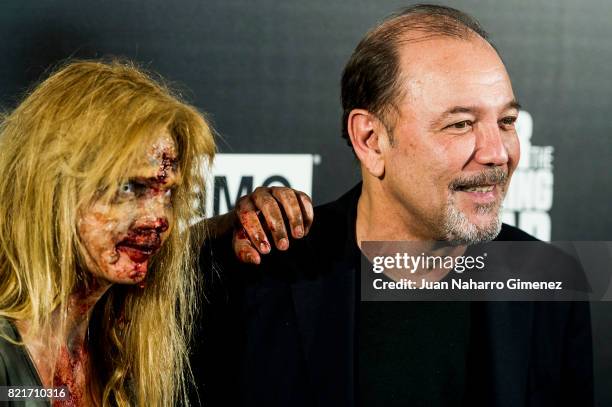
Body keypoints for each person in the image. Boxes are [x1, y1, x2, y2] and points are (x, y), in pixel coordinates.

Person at [196, 4, 593, 407]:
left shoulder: (551, 282)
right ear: (371, 140)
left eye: (507, 122)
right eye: (460, 124)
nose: (497, 153)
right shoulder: (259, 273)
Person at [0, 59, 312, 406]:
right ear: (53, 187)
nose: (158, 219)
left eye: (168, 194)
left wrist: (229, 228)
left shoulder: (122, 336)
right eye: (129, 188)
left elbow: (183, 257)